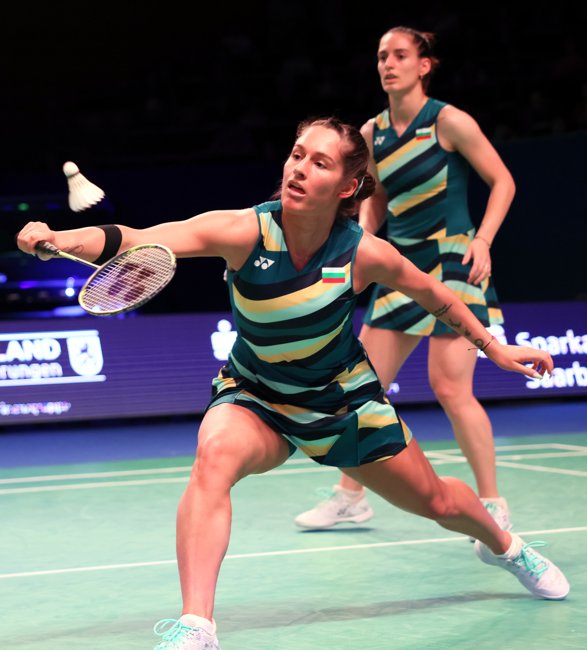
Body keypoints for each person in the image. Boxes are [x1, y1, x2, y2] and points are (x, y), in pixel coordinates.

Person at [17, 117, 569, 650]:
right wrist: (54, 236)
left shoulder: (363, 252)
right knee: (213, 459)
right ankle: (196, 626)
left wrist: (495, 348)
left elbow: (439, 297)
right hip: (255, 395)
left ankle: (505, 548)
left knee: (438, 500)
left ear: (349, 185)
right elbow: (140, 240)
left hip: (341, 402)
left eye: (319, 162)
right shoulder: (244, 231)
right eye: (297, 154)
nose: (299, 168)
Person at [295, 26, 515, 533]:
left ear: (424, 66)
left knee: (450, 387)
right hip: (403, 266)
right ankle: (351, 496)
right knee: (360, 384)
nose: (387, 64)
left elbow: (503, 181)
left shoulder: (449, 121)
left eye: (399, 55)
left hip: (455, 263)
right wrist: (362, 240)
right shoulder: (371, 134)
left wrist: (482, 241)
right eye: (380, 57)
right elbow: (375, 197)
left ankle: (492, 501)